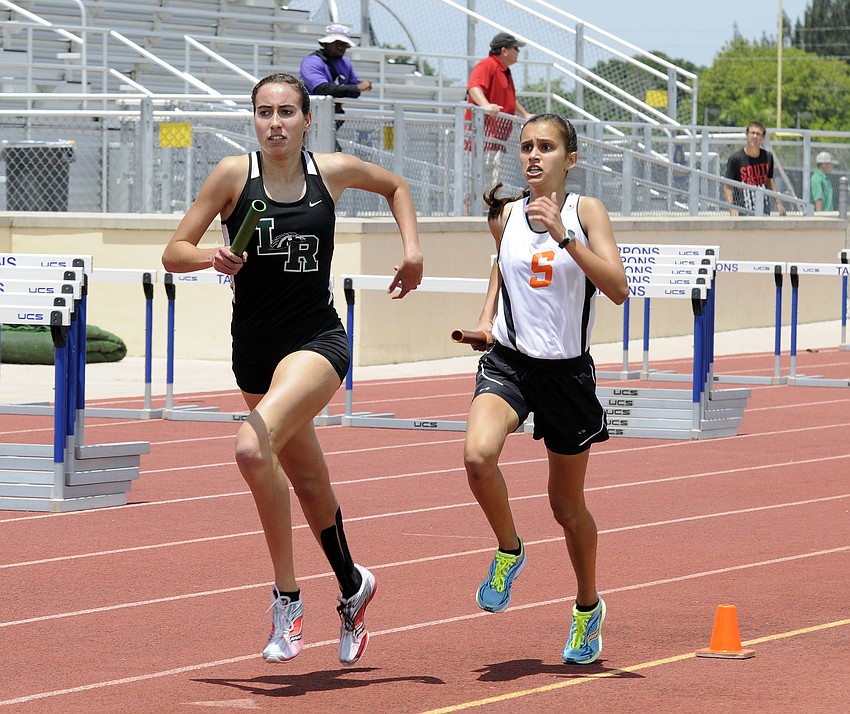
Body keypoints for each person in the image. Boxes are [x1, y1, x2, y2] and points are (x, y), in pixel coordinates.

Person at [161, 72, 423, 666]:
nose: (274, 123)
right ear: (253, 119)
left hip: (317, 342)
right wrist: (212, 255)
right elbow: (173, 252)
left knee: (253, 452)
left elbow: (397, 186)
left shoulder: (330, 173)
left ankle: (287, 599)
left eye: (286, 112)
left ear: (307, 120)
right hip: (254, 352)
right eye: (263, 112)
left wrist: (411, 251)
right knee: (307, 483)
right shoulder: (233, 175)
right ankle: (355, 587)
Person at [460, 113, 628, 665]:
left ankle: (587, 608)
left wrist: (566, 236)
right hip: (509, 361)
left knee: (566, 506)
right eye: (527, 147)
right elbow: (501, 272)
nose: (533, 156)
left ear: (570, 158)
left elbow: (618, 289)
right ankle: (510, 549)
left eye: (547, 147)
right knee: (478, 456)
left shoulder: (587, 212)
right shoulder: (505, 215)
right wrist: (486, 320)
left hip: (566, 374)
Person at [466, 32, 532, 190]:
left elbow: (510, 98)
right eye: (516, 48)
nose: (518, 52)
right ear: (504, 51)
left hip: (496, 139)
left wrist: (525, 114)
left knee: (492, 184)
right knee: (479, 185)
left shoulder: (504, 70)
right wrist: (485, 105)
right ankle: (473, 213)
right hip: (483, 138)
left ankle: (486, 213)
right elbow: (473, 87)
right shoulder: (487, 65)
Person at [300, 23, 372, 148]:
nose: (341, 47)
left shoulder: (345, 62)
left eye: (344, 44)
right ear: (326, 43)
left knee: (332, 152)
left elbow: (355, 85)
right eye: (337, 43)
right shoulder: (311, 62)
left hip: (332, 117)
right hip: (310, 117)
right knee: (309, 152)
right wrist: (356, 89)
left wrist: (360, 87)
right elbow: (321, 89)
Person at [723, 121, 786, 216]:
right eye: (752, 133)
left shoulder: (767, 157)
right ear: (746, 135)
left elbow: (769, 181)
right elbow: (727, 186)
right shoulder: (735, 159)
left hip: (763, 209)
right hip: (743, 210)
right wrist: (731, 207)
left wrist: (778, 203)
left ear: (763, 138)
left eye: (758, 134)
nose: (755, 136)